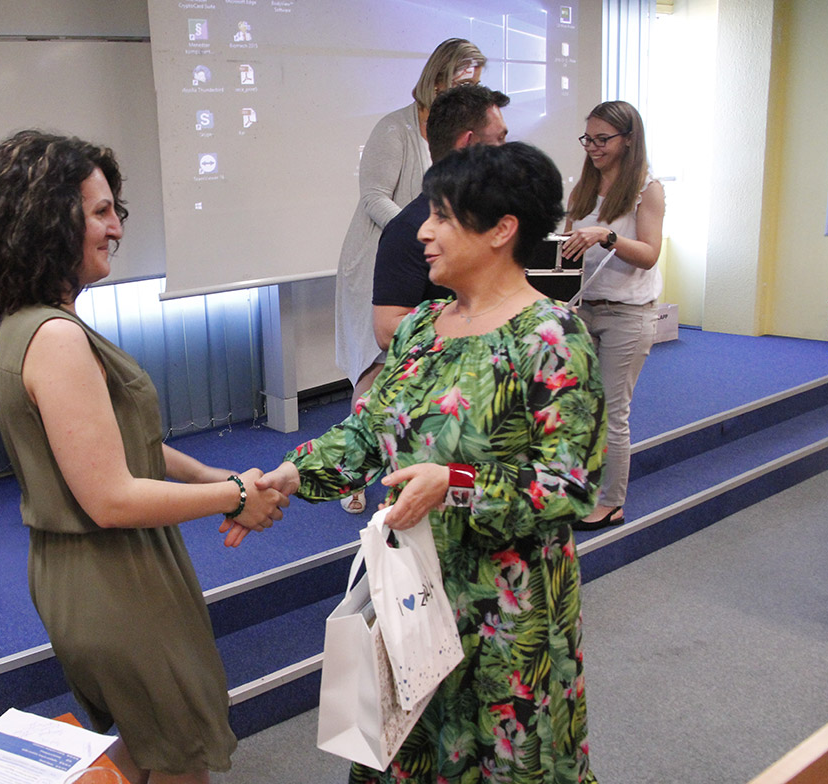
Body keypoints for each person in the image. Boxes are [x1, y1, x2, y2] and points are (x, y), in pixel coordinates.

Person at [244, 143, 606, 783]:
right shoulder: (422, 327)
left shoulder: (551, 337)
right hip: (409, 593)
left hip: (503, 611)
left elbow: (570, 486)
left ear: (502, 229)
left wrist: (455, 484)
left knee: (502, 758)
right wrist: (294, 475)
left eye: (442, 216)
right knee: (406, 749)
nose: (423, 232)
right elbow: (370, 430)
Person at [0, 130, 288, 784]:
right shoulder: (56, 338)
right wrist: (236, 497)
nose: (116, 228)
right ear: (49, 219)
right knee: (178, 758)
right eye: (100, 211)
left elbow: (118, 444)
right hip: (114, 576)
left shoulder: (30, 324)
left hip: (97, 570)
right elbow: (111, 497)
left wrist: (216, 476)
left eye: (116, 211)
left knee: (141, 748)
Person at [334, 37, 486, 513]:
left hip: (432, 258)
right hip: (381, 257)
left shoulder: (453, 133)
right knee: (374, 368)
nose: (470, 88)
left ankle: (411, 470)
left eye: (476, 81)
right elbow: (373, 196)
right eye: (463, 79)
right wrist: (419, 232)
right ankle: (353, 475)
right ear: (438, 78)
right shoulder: (395, 128)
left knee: (420, 368)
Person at [560, 100, 666, 532]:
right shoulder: (583, 189)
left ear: (628, 139)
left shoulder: (647, 189)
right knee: (579, 408)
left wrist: (606, 236)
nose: (593, 147)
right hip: (583, 309)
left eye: (602, 139)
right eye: (588, 139)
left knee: (612, 411)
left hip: (628, 314)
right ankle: (579, 489)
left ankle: (611, 503)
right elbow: (566, 249)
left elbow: (649, 254)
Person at [372, 83, 510, 351]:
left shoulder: (495, 218)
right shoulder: (408, 229)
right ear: (468, 144)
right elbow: (387, 330)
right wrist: (478, 321)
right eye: (499, 140)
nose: (506, 153)